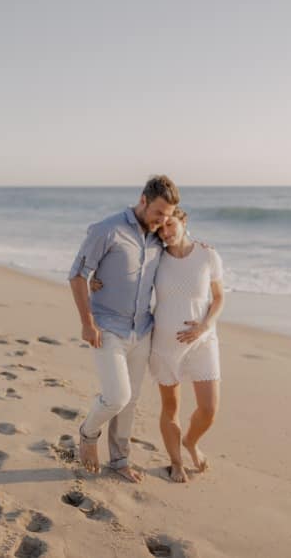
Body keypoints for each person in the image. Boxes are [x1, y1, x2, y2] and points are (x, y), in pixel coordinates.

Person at [68, 175, 179, 482]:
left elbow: (180, 246)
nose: (162, 220)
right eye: (158, 212)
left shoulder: (158, 237)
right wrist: (86, 322)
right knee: (116, 396)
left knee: (130, 401)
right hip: (107, 327)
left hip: (142, 329)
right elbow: (78, 275)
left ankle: (119, 460)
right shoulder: (108, 229)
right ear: (143, 200)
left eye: (168, 216)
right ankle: (88, 434)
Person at [146, 209, 224, 482]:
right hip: (166, 344)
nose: (165, 233)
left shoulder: (207, 255)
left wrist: (205, 326)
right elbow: (128, 277)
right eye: (160, 229)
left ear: (183, 220)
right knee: (170, 408)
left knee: (209, 409)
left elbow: (218, 298)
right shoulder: (155, 258)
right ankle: (176, 462)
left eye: (170, 225)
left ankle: (190, 442)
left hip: (203, 342)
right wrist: (97, 282)